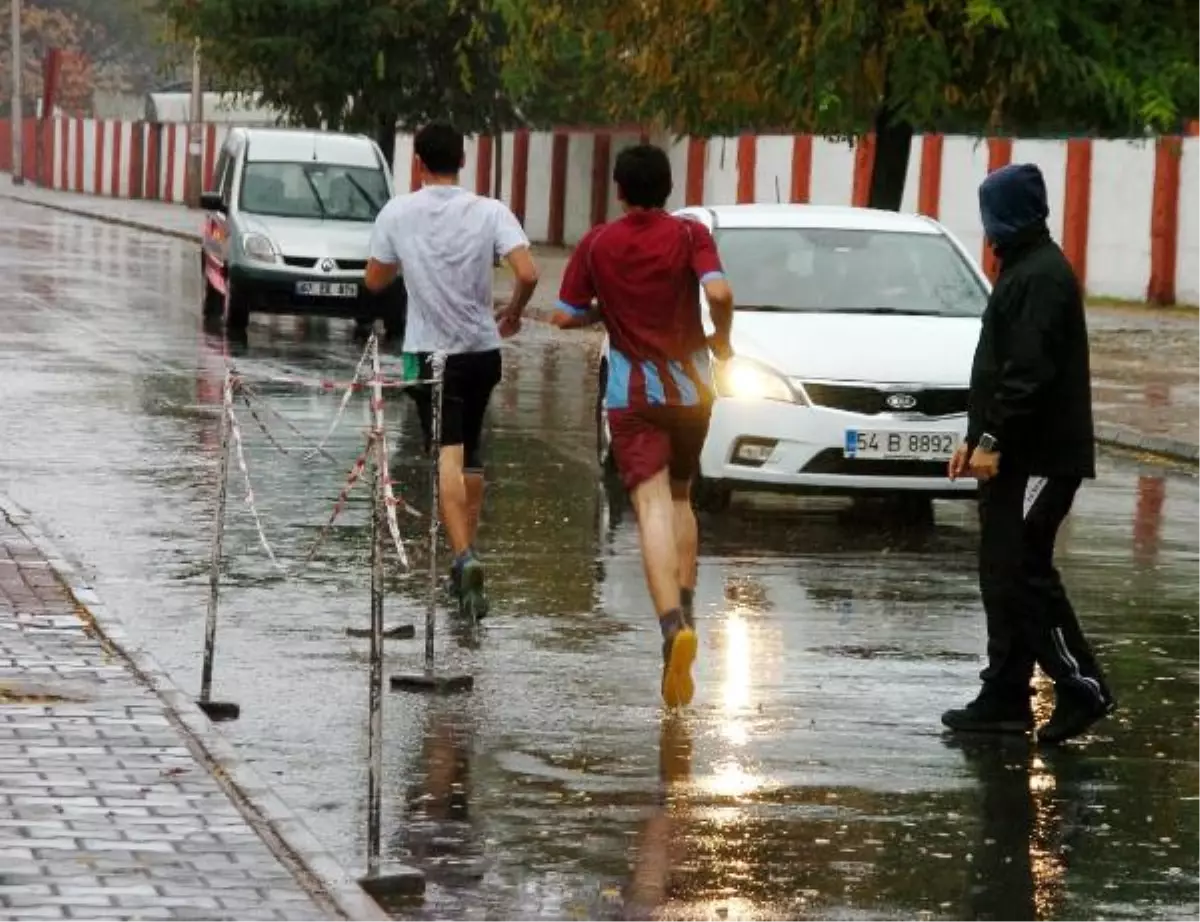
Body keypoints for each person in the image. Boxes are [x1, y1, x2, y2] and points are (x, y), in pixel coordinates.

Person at [551, 144, 734, 707]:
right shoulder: (688, 235)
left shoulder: (598, 242)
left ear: (620, 190)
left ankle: (671, 627)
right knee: (682, 499)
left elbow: (563, 313)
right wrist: (721, 340)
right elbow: (719, 291)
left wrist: (604, 309)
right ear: (669, 188)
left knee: (650, 506)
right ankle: (685, 597)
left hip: (632, 398)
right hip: (691, 391)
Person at [943, 162, 1115, 744]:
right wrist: (975, 438)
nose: (986, 229)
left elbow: (1028, 374)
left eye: (990, 215)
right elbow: (1001, 369)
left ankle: (1080, 686)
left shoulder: (1040, 276)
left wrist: (992, 439)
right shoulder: (1023, 269)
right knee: (1004, 573)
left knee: (1024, 573)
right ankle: (1005, 694)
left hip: (1037, 457)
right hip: (1013, 454)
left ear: (1005, 216)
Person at [365, 123, 540, 619]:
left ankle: (463, 557)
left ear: (417, 162)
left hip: (427, 355)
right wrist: (514, 314)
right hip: (482, 350)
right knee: (473, 451)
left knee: (446, 452)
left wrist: (408, 261)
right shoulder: (490, 211)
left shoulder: (398, 212)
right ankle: (465, 559)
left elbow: (375, 280)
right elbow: (528, 272)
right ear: (463, 161)